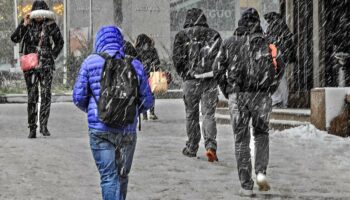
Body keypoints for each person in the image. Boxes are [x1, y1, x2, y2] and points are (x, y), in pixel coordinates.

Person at [73, 26, 153, 200]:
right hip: (127, 131)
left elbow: (78, 97)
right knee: (122, 176)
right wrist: (130, 111)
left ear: (98, 41)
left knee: (109, 177)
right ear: (120, 42)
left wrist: (96, 110)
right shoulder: (135, 64)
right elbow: (147, 101)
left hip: (100, 130)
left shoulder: (90, 62)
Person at [213, 8, 285, 196]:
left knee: (241, 139)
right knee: (261, 135)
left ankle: (245, 183)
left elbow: (217, 69)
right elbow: (280, 66)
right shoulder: (268, 43)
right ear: (258, 22)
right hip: (261, 96)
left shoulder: (229, 43)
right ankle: (261, 175)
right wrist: (270, 87)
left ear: (240, 22)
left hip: (238, 96)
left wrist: (227, 89)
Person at [172, 8, 222, 162]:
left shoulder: (181, 35)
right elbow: (221, 58)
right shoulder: (214, 35)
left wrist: (186, 73)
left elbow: (177, 59)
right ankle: (210, 146)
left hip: (191, 81)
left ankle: (192, 147)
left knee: (191, 115)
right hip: (210, 80)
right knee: (208, 114)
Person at [11, 0, 64, 138]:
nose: (39, 15)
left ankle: (44, 125)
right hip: (31, 66)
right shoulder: (28, 24)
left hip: (46, 65)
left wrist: (52, 55)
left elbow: (60, 42)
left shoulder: (50, 24)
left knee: (46, 95)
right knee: (32, 96)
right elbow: (14, 38)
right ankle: (32, 127)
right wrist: (24, 24)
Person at [264, 12, 295, 108]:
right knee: (281, 78)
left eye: (268, 20)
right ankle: (284, 102)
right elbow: (288, 43)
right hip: (281, 56)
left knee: (276, 78)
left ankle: (278, 101)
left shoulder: (274, 26)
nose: (267, 22)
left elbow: (270, 42)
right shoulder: (282, 26)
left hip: (276, 55)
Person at [135, 34, 160, 120]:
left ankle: (151, 112)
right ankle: (144, 113)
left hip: (150, 75)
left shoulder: (152, 50)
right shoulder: (137, 51)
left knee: (151, 94)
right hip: (142, 75)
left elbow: (157, 61)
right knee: (142, 94)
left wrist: (152, 64)